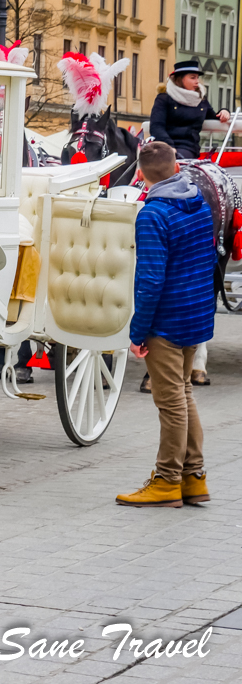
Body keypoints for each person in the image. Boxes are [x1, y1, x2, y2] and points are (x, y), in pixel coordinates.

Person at [117, 141, 216, 508]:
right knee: (184, 395)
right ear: (177, 169)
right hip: (195, 315)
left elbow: (151, 280)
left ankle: (166, 480)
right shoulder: (198, 204)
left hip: (168, 321)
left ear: (140, 175)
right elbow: (208, 261)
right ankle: (194, 477)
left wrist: (138, 331)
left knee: (170, 402)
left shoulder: (152, 214)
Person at [149, 60, 231, 160]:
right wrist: (169, 147)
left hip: (188, 147)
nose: (197, 81)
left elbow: (214, 116)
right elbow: (157, 126)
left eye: (197, 77)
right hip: (165, 147)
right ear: (180, 79)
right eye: (192, 78)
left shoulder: (200, 100)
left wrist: (224, 111)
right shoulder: (164, 98)